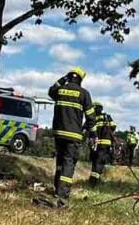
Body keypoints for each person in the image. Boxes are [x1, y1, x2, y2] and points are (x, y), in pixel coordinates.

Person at [47, 67, 95, 205]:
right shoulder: (84, 93)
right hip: (73, 135)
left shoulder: (59, 90)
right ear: (80, 79)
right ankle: (63, 196)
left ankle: (57, 189)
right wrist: (93, 134)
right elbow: (91, 117)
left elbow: (50, 90)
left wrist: (62, 79)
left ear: (69, 77)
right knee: (69, 164)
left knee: (60, 163)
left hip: (58, 133)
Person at [88, 103, 116, 184]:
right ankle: (94, 180)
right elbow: (113, 127)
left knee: (96, 162)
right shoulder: (106, 117)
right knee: (98, 162)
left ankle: (93, 181)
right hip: (102, 144)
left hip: (97, 144)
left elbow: (86, 128)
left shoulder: (93, 118)